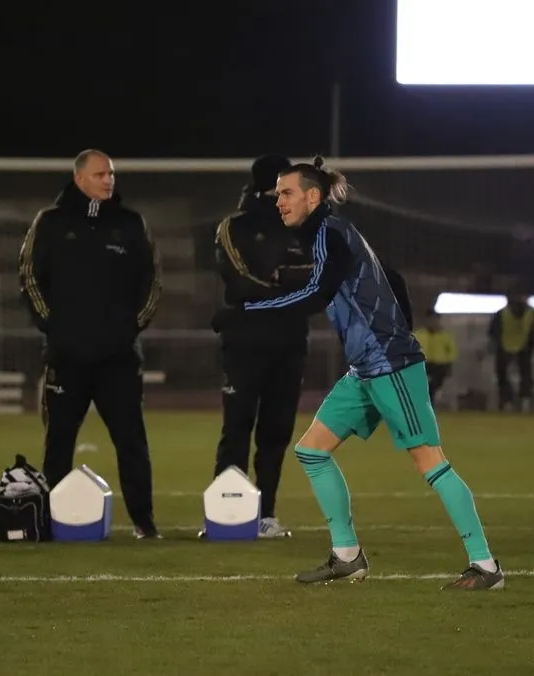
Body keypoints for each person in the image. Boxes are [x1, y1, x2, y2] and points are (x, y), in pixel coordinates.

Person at [212, 157, 503, 590]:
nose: (279, 201)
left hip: (390, 365)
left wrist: (247, 310)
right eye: (277, 194)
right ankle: (347, 556)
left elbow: (317, 293)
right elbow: (393, 277)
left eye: (287, 193)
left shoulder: (330, 233)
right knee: (311, 451)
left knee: (430, 462)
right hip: (367, 368)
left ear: (313, 196)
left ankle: (486, 566)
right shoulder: (330, 234)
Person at [18, 148, 164, 539]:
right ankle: (51, 521)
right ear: (79, 178)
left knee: (132, 442)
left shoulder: (131, 224)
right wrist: (53, 327)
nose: (108, 180)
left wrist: (130, 328)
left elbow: (152, 281)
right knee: (58, 442)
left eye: (111, 174)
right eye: (100, 174)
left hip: (119, 357)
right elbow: (29, 276)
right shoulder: (50, 222)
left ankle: (144, 523)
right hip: (66, 356)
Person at [207, 154, 312, 539]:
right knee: (236, 427)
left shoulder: (304, 225)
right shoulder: (235, 226)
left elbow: (320, 279)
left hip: (289, 344)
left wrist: (283, 278)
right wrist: (288, 284)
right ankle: (227, 514)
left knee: (276, 432)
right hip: (245, 344)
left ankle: (266, 513)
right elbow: (240, 281)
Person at [487, 291, 534, 412]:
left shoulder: (502, 314)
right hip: (521, 347)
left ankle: (509, 400)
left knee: (504, 373)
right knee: (524, 373)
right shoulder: (532, 313)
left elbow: (493, 333)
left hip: (507, 346)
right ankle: (523, 399)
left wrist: (494, 346)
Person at [414, 309, 457, 402]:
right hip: (423, 364)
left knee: (435, 386)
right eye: (430, 319)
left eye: (434, 319)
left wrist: (449, 364)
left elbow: (452, 351)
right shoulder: (419, 334)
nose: (432, 322)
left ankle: (430, 402)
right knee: (422, 386)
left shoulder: (445, 335)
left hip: (439, 365)